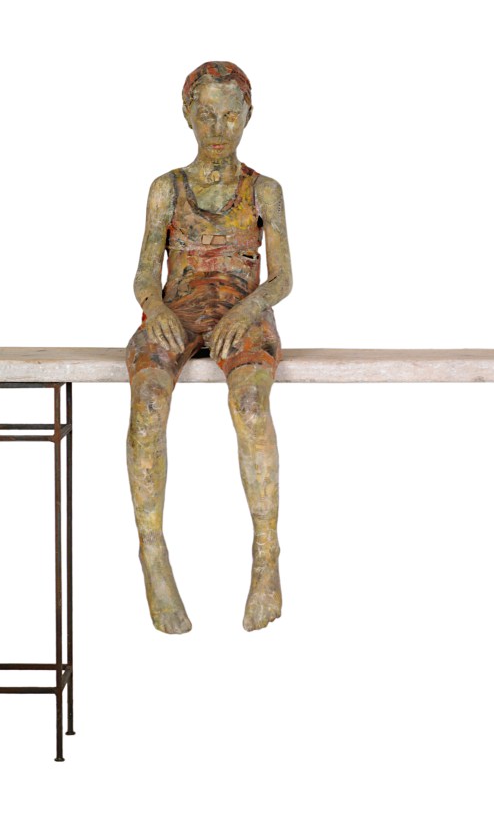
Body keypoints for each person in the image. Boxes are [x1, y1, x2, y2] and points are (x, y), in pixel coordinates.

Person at [125, 61, 293, 632]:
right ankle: (153, 553)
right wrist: (156, 310)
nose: (218, 129)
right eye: (206, 115)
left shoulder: (263, 190)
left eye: (229, 116)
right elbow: (145, 274)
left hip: (242, 314)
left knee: (250, 404)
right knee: (149, 402)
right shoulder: (167, 189)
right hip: (177, 311)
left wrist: (248, 309)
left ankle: (266, 555)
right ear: (187, 116)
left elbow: (282, 278)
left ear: (248, 115)